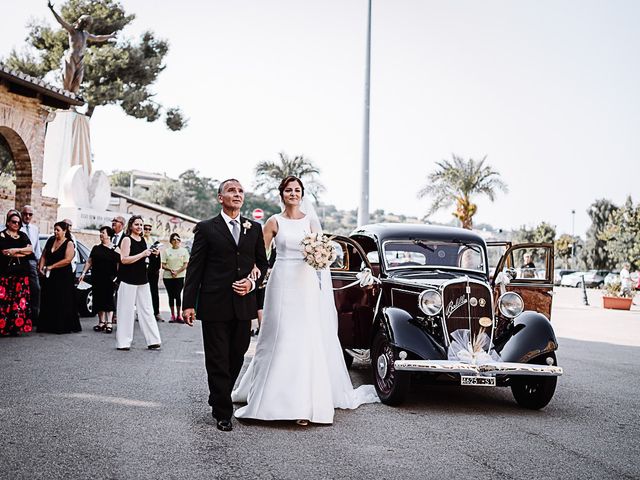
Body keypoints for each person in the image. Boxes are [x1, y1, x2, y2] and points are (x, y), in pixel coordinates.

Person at [232, 176, 379, 426]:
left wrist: (320, 257)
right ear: (282, 194)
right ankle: (268, 399)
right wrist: (251, 275)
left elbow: (323, 254)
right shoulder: (273, 222)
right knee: (279, 333)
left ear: (302, 194)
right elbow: (259, 256)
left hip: (306, 283)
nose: (293, 194)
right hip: (280, 281)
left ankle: (305, 405)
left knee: (303, 338)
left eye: (297, 190)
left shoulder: (310, 221)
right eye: (288, 190)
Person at [182, 179, 269, 432]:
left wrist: (252, 284)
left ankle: (218, 393)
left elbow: (262, 265)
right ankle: (222, 410)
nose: (237, 194)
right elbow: (195, 268)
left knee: (237, 354)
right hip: (214, 303)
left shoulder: (253, 228)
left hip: (243, 303)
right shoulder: (207, 228)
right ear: (220, 198)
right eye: (231, 190)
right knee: (218, 357)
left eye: (240, 191)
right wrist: (188, 304)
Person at [115, 215, 162, 351]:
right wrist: (142, 254)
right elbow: (124, 259)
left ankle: (153, 340)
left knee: (147, 310)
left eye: (141, 225)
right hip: (128, 279)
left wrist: (154, 254)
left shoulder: (143, 240)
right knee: (126, 311)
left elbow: (147, 260)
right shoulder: (126, 239)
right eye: (137, 224)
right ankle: (123, 342)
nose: (140, 227)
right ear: (130, 226)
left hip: (142, 279)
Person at [47, 1, 116, 93]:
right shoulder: (72, 31)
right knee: (69, 79)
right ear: (79, 21)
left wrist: (110, 36)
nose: (84, 24)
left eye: (86, 23)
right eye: (83, 22)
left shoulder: (85, 34)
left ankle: (72, 100)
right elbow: (61, 22)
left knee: (77, 81)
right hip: (72, 57)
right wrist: (52, 10)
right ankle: (66, 97)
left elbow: (98, 38)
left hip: (80, 59)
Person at [38, 221, 81, 334]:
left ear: (64, 231)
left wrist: (52, 266)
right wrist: (41, 267)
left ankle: (61, 326)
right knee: (48, 297)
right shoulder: (51, 240)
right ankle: (47, 325)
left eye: (58, 230)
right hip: (50, 274)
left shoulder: (69, 243)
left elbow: (67, 260)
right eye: (54, 229)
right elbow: (44, 254)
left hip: (63, 275)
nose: (55, 232)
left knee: (62, 299)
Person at [80, 226, 120, 334]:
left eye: (103, 233)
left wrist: (117, 277)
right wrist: (83, 273)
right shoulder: (96, 248)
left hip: (109, 278)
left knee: (108, 299)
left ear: (109, 235)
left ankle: (109, 323)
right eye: (100, 233)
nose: (101, 234)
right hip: (97, 277)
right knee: (98, 298)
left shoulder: (115, 248)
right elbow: (89, 261)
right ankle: (101, 322)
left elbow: (119, 264)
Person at [0, 211, 34, 336]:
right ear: (8, 222)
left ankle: (15, 327)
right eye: (13, 222)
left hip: (21, 274)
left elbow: (30, 250)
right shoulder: (2, 235)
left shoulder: (22, 235)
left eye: (18, 222)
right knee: (4, 302)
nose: (16, 224)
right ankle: (3, 328)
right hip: (5, 274)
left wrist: (16, 250)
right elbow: (4, 252)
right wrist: (21, 253)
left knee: (18, 302)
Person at [161, 232, 189, 323]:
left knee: (177, 295)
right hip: (168, 277)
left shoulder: (184, 251)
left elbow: (186, 264)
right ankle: (172, 315)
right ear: (171, 241)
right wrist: (171, 270)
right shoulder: (167, 251)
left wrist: (177, 271)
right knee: (171, 296)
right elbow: (163, 265)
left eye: (178, 239)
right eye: (174, 239)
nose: (176, 241)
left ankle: (179, 315)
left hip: (179, 276)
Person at [20, 205, 41, 322]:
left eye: (30, 214)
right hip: (20, 261)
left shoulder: (35, 229)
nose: (27, 216)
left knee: (36, 288)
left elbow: (37, 247)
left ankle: (35, 316)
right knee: (21, 289)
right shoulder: (17, 227)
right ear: (21, 214)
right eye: (25, 214)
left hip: (32, 262)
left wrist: (39, 263)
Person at [143, 221, 162, 321]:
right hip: (143, 267)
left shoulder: (154, 240)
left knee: (154, 291)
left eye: (149, 229)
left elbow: (158, 254)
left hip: (153, 268)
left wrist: (157, 253)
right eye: (145, 228)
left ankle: (156, 312)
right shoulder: (141, 240)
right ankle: (143, 313)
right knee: (143, 291)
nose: (147, 231)